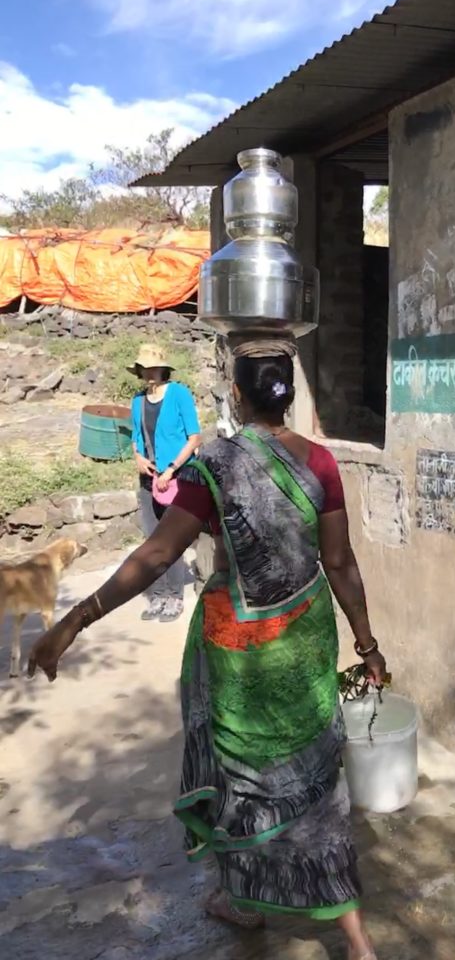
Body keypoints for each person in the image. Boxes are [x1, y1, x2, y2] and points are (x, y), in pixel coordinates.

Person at [28, 344, 386, 960]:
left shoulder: (214, 464)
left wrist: (75, 620)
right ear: (290, 397)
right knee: (318, 782)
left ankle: (242, 898)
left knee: (238, 777)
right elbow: (341, 562)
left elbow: (158, 555)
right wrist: (367, 643)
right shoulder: (322, 463)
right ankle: (352, 939)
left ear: (237, 396)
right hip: (305, 641)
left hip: (237, 650)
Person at [129, 343, 202, 621]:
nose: (149, 372)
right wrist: (137, 456)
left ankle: (174, 596)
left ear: (163, 368)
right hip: (149, 479)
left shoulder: (179, 394)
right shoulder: (138, 400)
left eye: (153, 367)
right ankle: (157, 595)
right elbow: (135, 436)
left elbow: (194, 437)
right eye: (144, 368)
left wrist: (171, 469)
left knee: (172, 538)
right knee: (151, 538)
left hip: (177, 477)